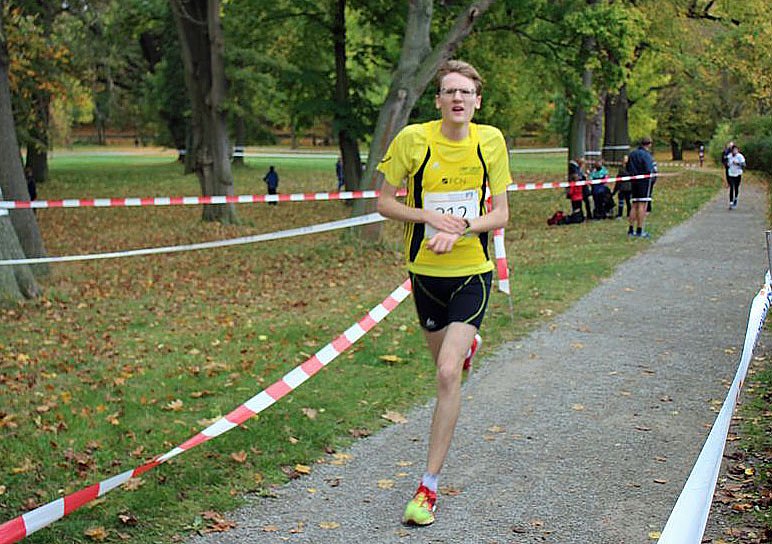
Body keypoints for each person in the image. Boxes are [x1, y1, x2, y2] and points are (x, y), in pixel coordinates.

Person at [376, 60, 510, 527]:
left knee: (448, 374)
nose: (458, 99)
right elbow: (384, 201)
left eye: (466, 92)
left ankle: (427, 487)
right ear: (438, 101)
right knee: (442, 364)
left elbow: (502, 214)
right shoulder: (413, 140)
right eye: (449, 91)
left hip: (472, 271)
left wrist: (465, 226)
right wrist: (429, 219)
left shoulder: (489, 142)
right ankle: (465, 342)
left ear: (477, 101)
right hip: (425, 274)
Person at [626, 137, 656, 238]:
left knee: (634, 205)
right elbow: (649, 169)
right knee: (642, 205)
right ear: (649, 144)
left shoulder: (632, 154)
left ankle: (630, 229)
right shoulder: (646, 155)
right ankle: (640, 230)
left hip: (634, 181)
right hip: (644, 182)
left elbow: (628, 167)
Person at [725, 144, 746, 209]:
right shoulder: (729, 156)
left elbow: (744, 165)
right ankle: (731, 202)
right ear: (732, 151)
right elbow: (726, 163)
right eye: (734, 150)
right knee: (731, 187)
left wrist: (738, 163)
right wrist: (727, 164)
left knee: (736, 187)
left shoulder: (740, 156)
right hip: (731, 173)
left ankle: (736, 198)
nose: (735, 151)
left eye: (736, 150)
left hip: (738, 174)